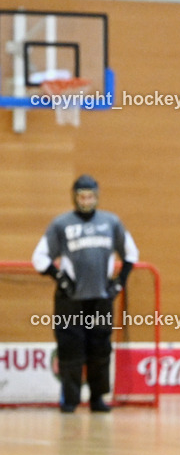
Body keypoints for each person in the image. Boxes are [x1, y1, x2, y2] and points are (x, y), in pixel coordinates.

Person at [32, 175, 139, 413]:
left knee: (100, 348)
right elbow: (39, 257)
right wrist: (60, 278)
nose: (86, 200)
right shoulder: (61, 224)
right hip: (70, 300)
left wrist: (119, 283)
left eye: (90, 196)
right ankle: (70, 400)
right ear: (74, 197)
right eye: (82, 196)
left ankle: (98, 398)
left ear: (97, 197)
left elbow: (131, 253)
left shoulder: (111, 222)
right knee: (70, 349)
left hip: (101, 298)